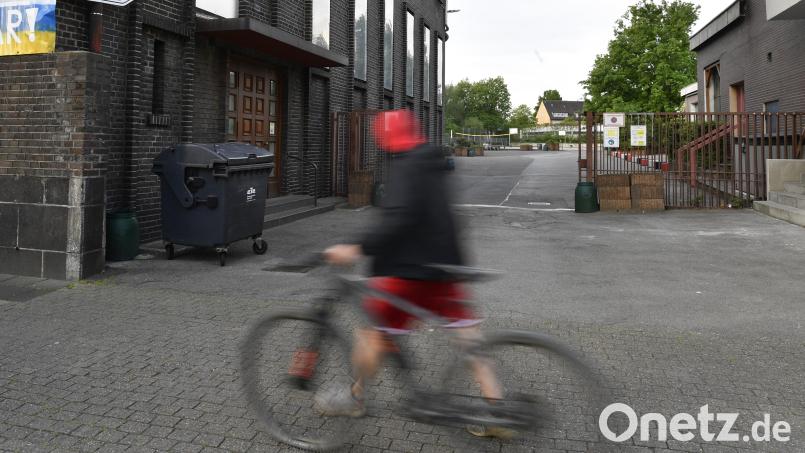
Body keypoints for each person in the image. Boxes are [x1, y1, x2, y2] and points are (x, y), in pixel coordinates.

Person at [316, 110, 511, 438]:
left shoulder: (406, 166)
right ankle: (496, 410)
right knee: (470, 340)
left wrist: (356, 248)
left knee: (372, 334)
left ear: (386, 138)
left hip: (409, 272)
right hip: (448, 267)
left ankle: (354, 397)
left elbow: (398, 220)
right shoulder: (433, 163)